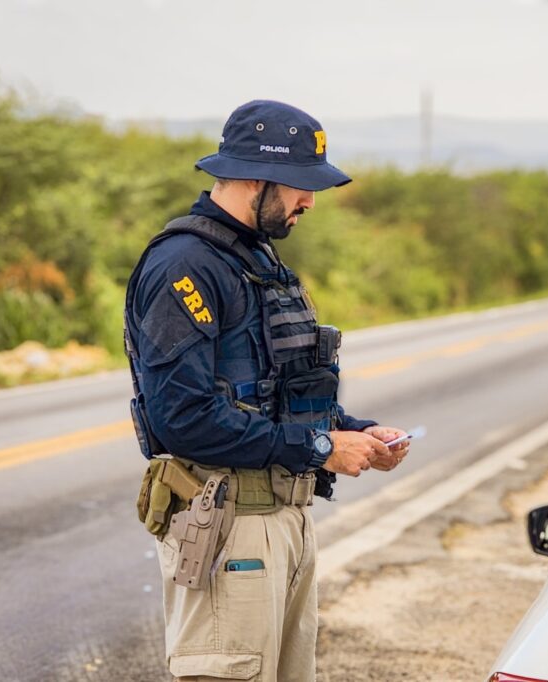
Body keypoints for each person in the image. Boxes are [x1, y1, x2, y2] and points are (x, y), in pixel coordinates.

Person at [124, 100, 410, 682]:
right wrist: (322, 449)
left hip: (283, 520)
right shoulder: (185, 267)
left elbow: (273, 394)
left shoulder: (254, 257)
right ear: (254, 177)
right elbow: (184, 419)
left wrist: (352, 432)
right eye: (300, 186)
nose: (310, 200)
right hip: (228, 527)